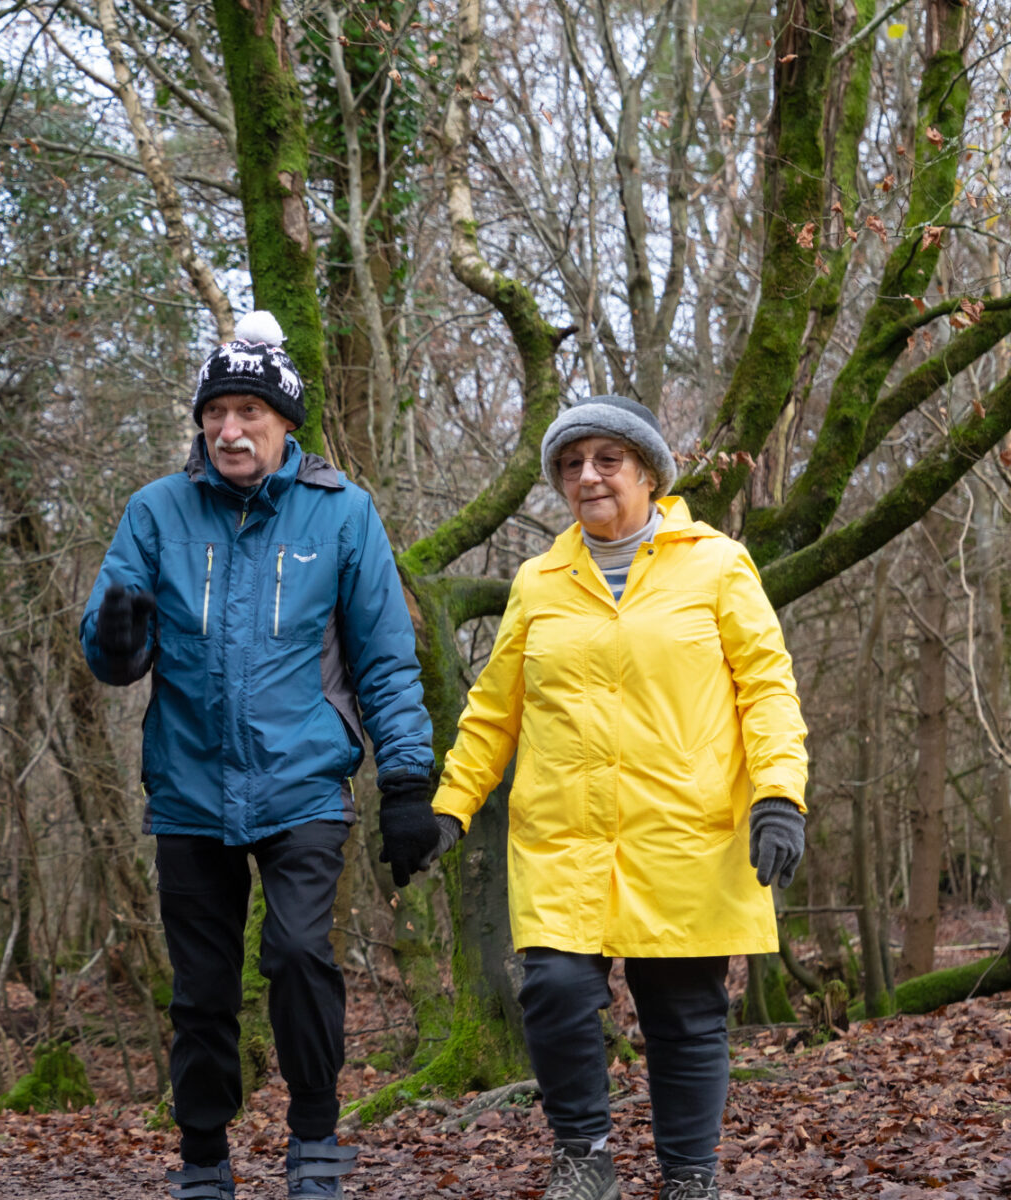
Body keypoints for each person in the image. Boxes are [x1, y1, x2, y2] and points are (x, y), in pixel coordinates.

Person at [394, 395, 808, 1200]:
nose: (588, 476)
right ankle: (583, 1157)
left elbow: (767, 691)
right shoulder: (538, 582)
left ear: (649, 473)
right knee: (552, 991)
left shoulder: (716, 564)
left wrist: (779, 797)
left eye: (607, 460)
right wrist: (449, 805)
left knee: (685, 1014)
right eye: (571, 465)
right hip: (563, 837)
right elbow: (494, 709)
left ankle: (690, 1177)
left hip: (682, 834)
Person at [81, 312, 435, 1200]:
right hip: (190, 783)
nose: (230, 430)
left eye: (249, 411)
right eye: (216, 413)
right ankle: (204, 1158)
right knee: (201, 989)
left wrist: (406, 779)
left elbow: (386, 657)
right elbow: (115, 657)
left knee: (298, 955)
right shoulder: (157, 511)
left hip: (304, 780)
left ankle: (315, 1139)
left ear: (284, 422)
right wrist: (115, 636)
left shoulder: (342, 514)